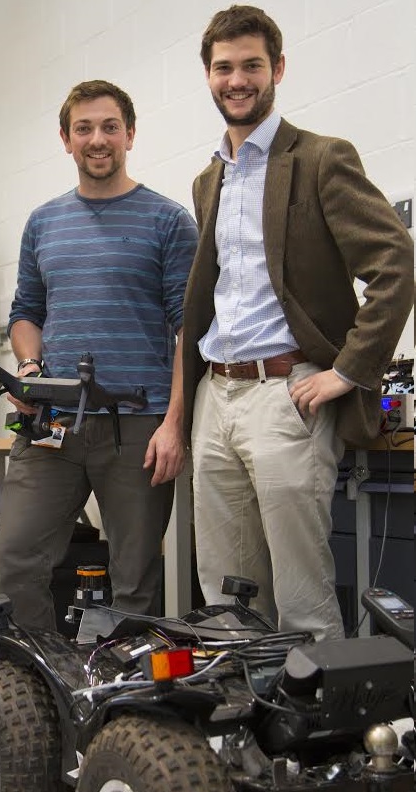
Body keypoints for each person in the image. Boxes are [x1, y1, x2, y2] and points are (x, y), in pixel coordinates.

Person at [182, 5, 414, 641]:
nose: (238, 79)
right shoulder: (208, 180)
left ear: (277, 68)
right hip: (215, 394)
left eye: (251, 65)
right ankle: (243, 727)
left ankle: (315, 734)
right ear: (207, 76)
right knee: (225, 589)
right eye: (224, 67)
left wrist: (348, 371)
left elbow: (396, 262)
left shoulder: (320, 159)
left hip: (286, 394)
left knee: (301, 594)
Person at [0, 79, 198, 631]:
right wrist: (30, 369)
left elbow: (190, 330)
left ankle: (121, 702)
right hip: (53, 423)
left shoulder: (169, 220)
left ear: (130, 134)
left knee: (134, 579)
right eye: (84, 128)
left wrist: (174, 424)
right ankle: (41, 687)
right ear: (66, 139)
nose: (97, 138)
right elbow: (25, 312)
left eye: (110, 126)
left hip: (138, 426)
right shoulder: (43, 222)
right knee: (13, 558)